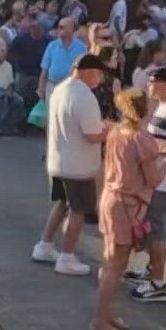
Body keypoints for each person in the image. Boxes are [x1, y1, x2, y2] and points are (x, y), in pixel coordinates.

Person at [91, 89, 166, 330]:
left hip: (111, 199)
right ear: (144, 109)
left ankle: (105, 313)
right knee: (115, 266)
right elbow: (153, 179)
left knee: (111, 263)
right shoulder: (143, 140)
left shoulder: (116, 132)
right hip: (126, 205)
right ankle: (99, 319)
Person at [31, 54, 111, 278]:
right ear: (89, 72)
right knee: (79, 210)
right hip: (78, 165)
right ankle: (67, 256)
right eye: (99, 74)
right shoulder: (84, 96)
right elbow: (93, 134)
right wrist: (109, 131)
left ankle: (45, 245)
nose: (100, 79)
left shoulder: (60, 89)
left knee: (62, 204)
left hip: (58, 160)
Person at [130, 66, 166, 304]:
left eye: (153, 81)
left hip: (163, 180)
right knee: (147, 225)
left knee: (154, 229)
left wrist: (158, 157)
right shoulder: (162, 107)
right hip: (154, 177)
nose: (148, 85)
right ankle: (150, 269)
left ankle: (158, 283)